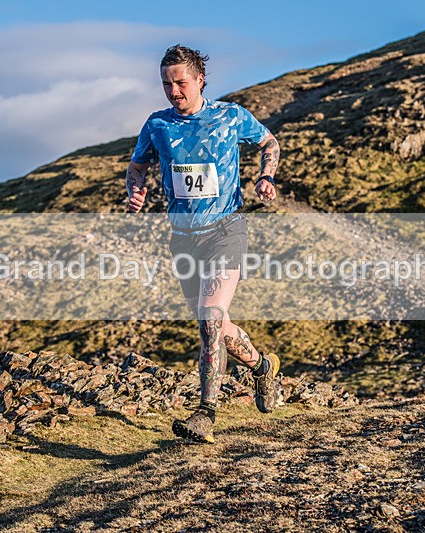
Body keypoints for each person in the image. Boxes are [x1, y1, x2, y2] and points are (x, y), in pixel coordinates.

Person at [125, 44, 282, 443]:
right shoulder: (157, 125)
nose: (173, 91)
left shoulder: (230, 117)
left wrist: (267, 176)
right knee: (219, 325)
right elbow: (137, 165)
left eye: (180, 82)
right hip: (183, 239)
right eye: (166, 84)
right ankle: (264, 367)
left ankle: (205, 415)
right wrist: (136, 190)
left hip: (225, 230)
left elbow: (270, 143)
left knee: (210, 318)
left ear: (200, 80)